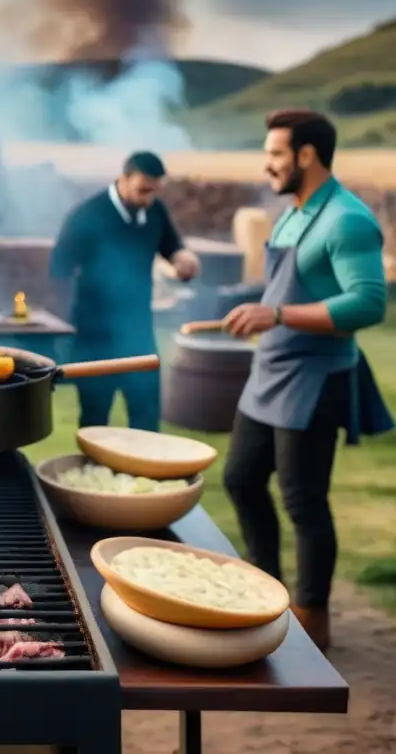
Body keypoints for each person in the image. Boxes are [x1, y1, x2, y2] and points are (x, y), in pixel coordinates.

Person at [222, 109, 392, 651]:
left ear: (307, 156)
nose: (267, 164)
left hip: (315, 377)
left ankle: (313, 618)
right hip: (271, 368)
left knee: (303, 501)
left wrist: (278, 316)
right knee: (242, 479)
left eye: (275, 154)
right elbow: (284, 290)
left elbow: (369, 302)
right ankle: (265, 589)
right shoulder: (292, 213)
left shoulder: (346, 219)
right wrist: (256, 309)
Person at [48, 151, 200, 432]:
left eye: (154, 191)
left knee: (146, 415)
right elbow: (58, 269)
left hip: (139, 331)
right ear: (123, 179)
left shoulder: (154, 210)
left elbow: (172, 246)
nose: (148, 199)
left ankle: (148, 474)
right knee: (95, 421)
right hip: (95, 336)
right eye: (143, 190)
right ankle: (91, 475)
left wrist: (183, 258)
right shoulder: (87, 215)